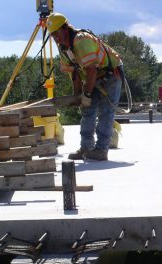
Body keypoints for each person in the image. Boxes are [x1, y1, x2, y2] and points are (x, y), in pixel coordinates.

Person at [46, 12, 123, 161]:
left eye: (56, 34)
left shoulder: (81, 40)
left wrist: (86, 94)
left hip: (111, 73)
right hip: (93, 76)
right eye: (52, 35)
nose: (55, 38)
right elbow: (74, 73)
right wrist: (77, 96)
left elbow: (91, 70)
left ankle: (101, 150)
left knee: (105, 112)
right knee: (87, 111)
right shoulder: (64, 49)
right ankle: (86, 148)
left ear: (65, 28)